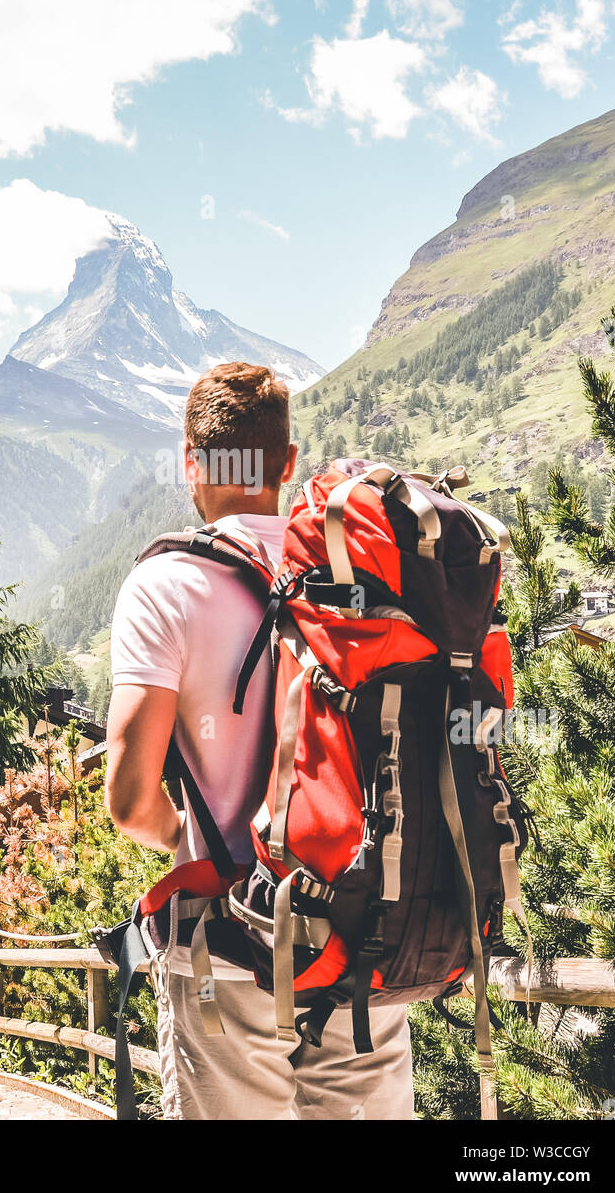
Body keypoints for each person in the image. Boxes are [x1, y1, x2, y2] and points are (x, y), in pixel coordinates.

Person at [106, 361, 414, 1121]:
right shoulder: (366, 572)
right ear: (287, 463)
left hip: (229, 939)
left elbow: (131, 800)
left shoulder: (166, 583)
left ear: (191, 463)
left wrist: (187, 835)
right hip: (359, 929)